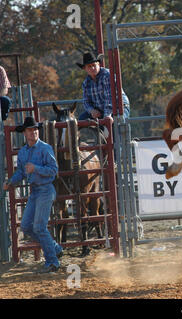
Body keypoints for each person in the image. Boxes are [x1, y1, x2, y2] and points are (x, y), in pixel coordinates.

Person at [2, 117, 63, 272]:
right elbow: (21, 172)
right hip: (36, 191)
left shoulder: (45, 148)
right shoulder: (23, 152)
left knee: (39, 227)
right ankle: (54, 248)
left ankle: (52, 262)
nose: (34, 132)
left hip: (45, 189)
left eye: (35, 129)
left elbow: (54, 170)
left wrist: (36, 168)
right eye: (30, 130)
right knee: (26, 226)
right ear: (25, 133)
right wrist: (10, 182)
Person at [77, 51, 130, 121]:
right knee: (81, 120)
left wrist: (107, 115)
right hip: (101, 110)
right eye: (89, 66)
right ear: (85, 69)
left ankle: (116, 130)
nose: (92, 68)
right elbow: (86, 101)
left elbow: (110, 97)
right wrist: (92, 110)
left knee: (118, 124)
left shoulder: (107, 75)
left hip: (119, 106)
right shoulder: (86, 83)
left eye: (94, 65)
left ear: (98, 64)